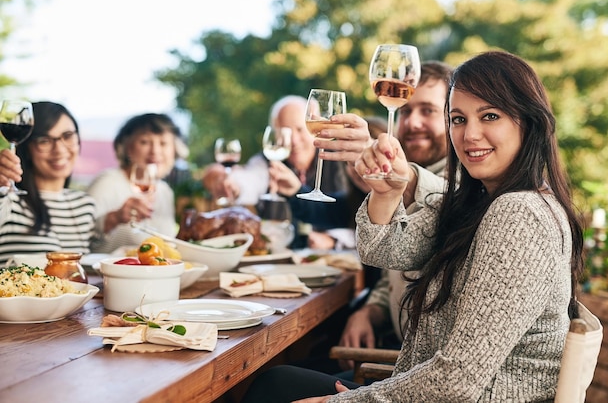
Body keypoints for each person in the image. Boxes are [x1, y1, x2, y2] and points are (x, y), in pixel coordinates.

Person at [240, 50, 585, 402]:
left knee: (274, 388)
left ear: (529, 122)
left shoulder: (520, 214)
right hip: (425, 389)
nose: (470, 135)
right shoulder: (478, 200)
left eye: (490, 116)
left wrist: (343, 401)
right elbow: (382, 251)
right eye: (459, 119)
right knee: (278, 382)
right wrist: (387, 193)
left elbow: (458, 381)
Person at [338, 61, 453, 369]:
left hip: (420, 376)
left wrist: (404, 179)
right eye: (405, 110)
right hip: (399, 359)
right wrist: (369, 313)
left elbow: (449, 200)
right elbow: (394, 276)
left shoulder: (468, 184)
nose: (412, 122)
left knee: (273, 382)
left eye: (427, 110)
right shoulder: (420, 177)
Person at [203, 95, 366, 250]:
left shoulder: (341, 160)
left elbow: (361, 215)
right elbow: (250, 180)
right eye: (285, 132)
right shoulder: (267, 161)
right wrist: (233, 184)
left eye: (300, 130)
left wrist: (334, 238)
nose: (293, 140)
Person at [0, 101, 96, 263]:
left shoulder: (84, 204)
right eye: (44, 140)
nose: (59, 149)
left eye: (67, 136)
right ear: (27, 148)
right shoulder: (8, 200)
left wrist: (114, 223)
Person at [88, 113, 187, 253]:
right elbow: (81, 236)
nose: (155, 151)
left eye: (163, 143)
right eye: (145, 142)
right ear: (127, 147)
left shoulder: (165, 191)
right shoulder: (107, 182)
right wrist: (114, 218)